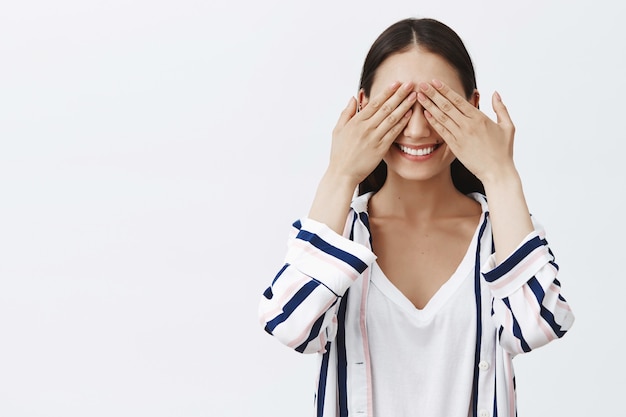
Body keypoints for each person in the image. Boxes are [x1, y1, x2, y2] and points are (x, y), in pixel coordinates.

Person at [258, 17, 574, 417]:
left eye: (437, 105)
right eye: (398, 106)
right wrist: (340, 172)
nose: (418, 127)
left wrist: (501, 175)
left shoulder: (503, 233)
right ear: (362, 108)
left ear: (473, 108)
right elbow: (289, 324)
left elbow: (538, 326)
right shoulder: (341, 233)